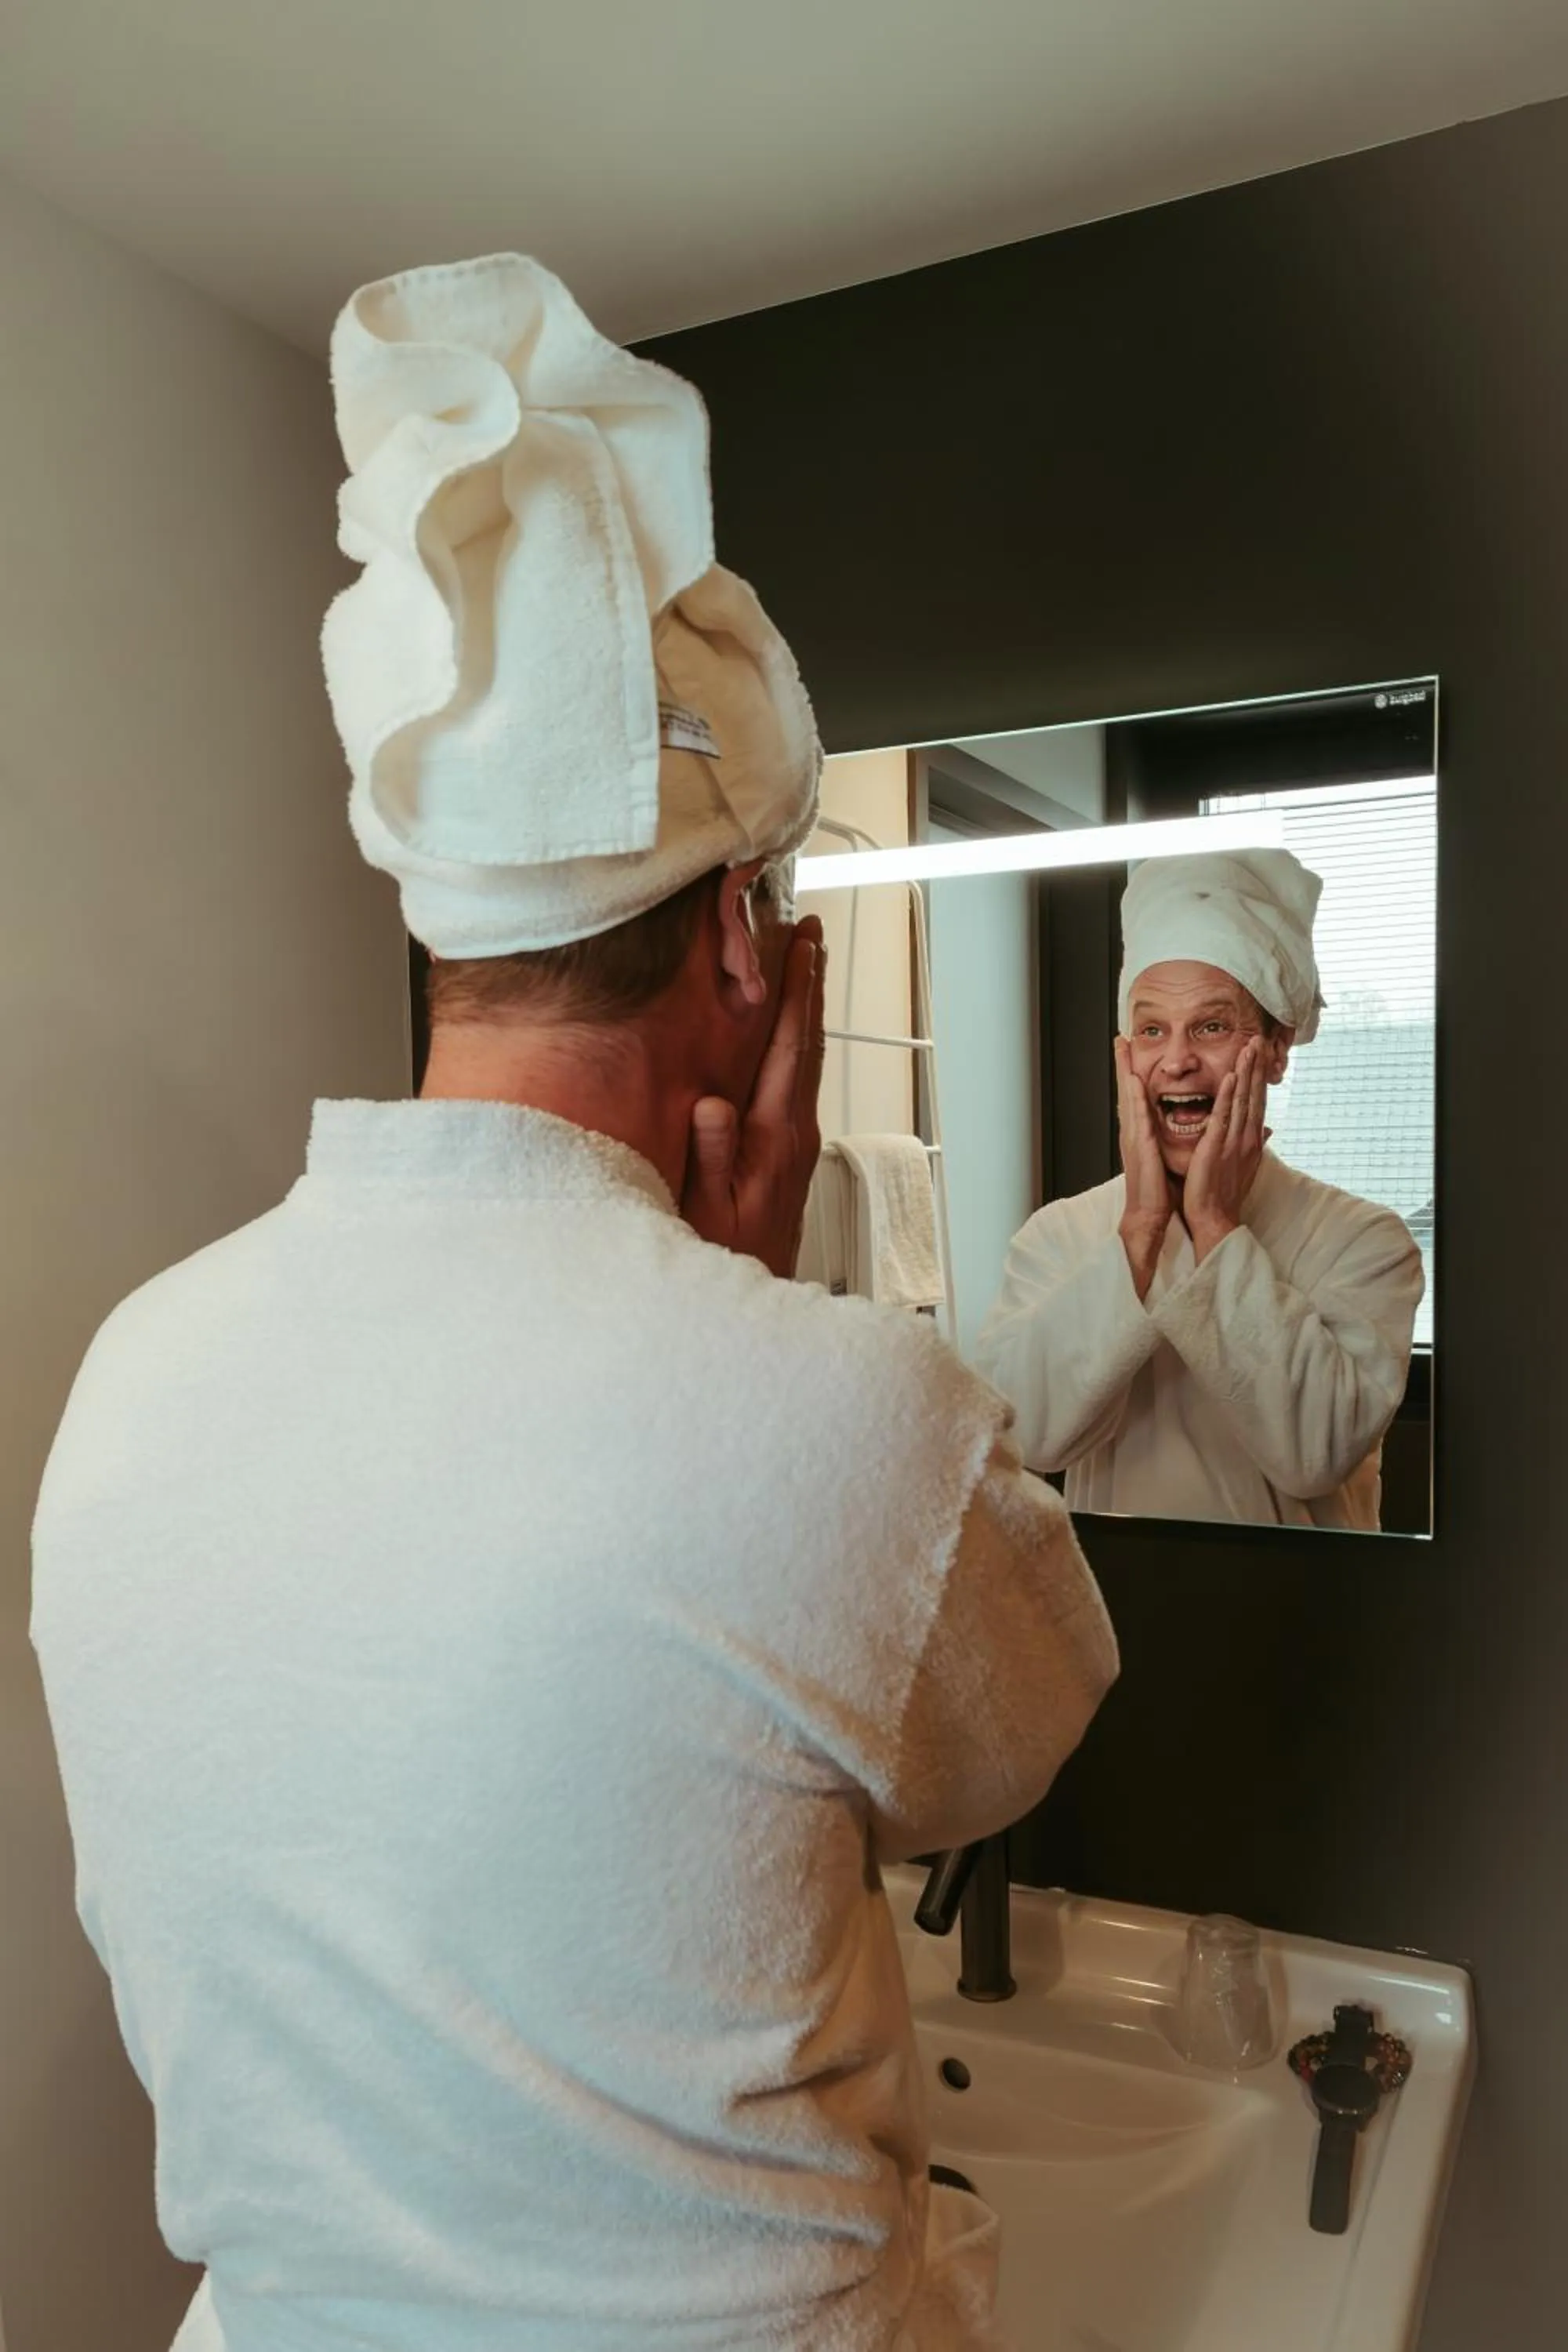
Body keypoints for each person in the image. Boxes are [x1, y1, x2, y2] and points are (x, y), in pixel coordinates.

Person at [31, 253, 1116, 2352]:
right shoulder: (847, 1413)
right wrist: (741, 1289)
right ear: (740, 944)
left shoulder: (127, 1380)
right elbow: (1013, 1734)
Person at [975, 850, 1424, 1531]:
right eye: (1152, 1029)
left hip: (1307, 1619)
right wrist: (1141, 1233)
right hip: (1116, 1611)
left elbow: (1318, 1451)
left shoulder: (1365, 1242)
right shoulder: (1058, 1236)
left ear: (1275, 1050)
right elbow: (1025, 1436)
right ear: (1126, 1054)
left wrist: (1214, 1226)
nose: (1177, 1059)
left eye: (1211, 1027)